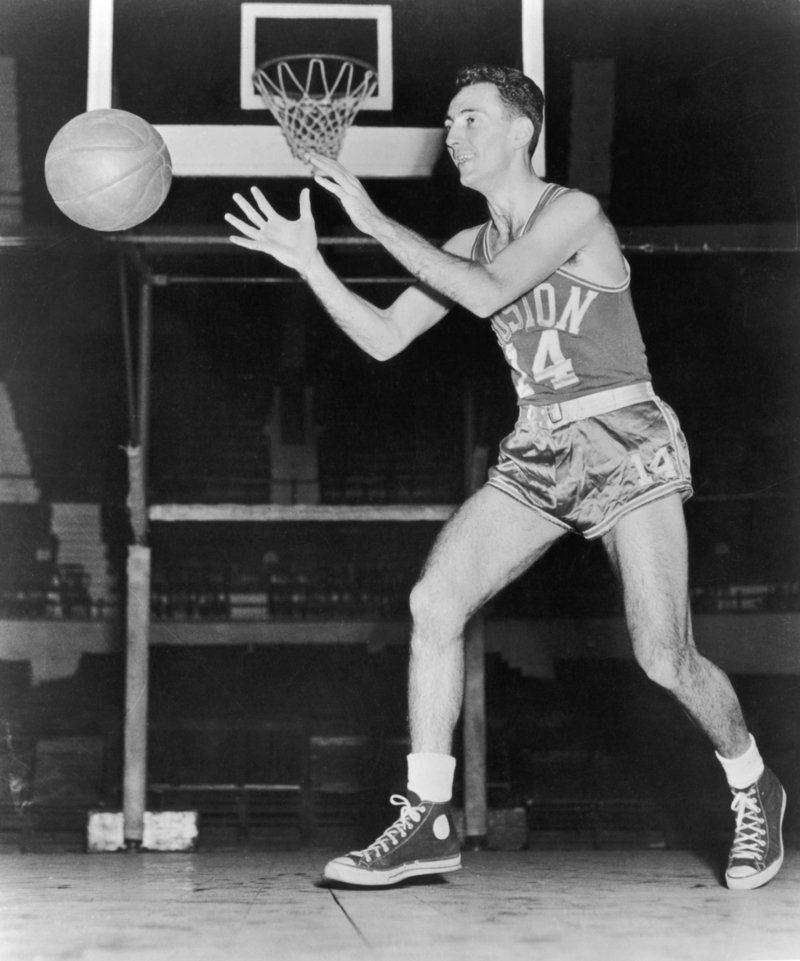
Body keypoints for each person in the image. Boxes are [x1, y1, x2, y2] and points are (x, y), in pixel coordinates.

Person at [225, 64, 786, 891]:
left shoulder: (574, 213)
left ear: (523, 130)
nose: (453, 134)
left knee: (663, 655)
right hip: (538, 450)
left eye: (471, 119)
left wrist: (371, 218)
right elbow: (384, 337)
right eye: (448, 122)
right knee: (434, 601)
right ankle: (427, 816)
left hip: (625, 440)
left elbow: (490, 294)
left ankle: (752, 785)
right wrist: (311, 262)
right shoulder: (463, 243)